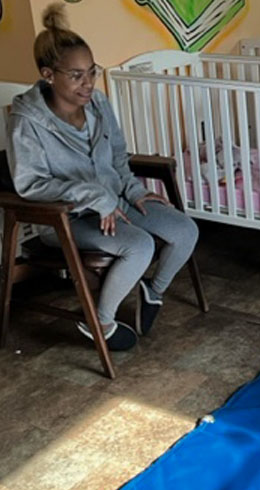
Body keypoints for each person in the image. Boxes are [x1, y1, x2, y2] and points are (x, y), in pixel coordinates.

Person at [6, 3, 199, 351]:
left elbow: (118, 157)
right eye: (76, 75)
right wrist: (95, 197)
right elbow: (30, 185)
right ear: (49, 74)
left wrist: (134, 191)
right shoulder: (26, 120)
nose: (89, 83)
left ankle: (151, 293)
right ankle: (99, 321)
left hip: (116, 201)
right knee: (139, 246)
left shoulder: (99, 104)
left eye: (92, 71)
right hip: (66, 217)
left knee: (185, 230)